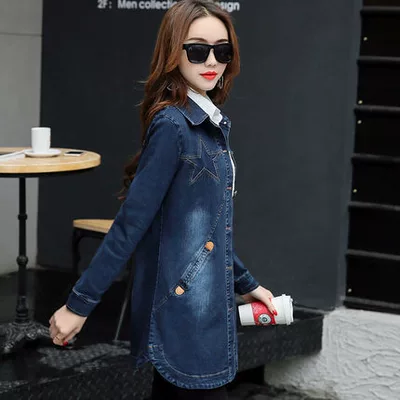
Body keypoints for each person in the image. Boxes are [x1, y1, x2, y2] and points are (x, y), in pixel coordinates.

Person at [49, 0, 276, 398]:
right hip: (184, 312)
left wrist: (245, 283)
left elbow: (205, 228)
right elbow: (132, 223)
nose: (212, 61)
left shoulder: (209, 124)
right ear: (174, 52)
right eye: (197, 49)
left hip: (205, 310)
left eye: (222, 50)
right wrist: (78, 305)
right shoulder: (174, 125)